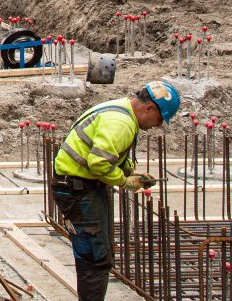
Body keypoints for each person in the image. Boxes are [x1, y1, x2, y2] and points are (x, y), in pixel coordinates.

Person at [51, 79, 181, 301]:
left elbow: (109, 154)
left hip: (80, 185)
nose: (157, 126)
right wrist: (124, 182)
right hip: (77, 188)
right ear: (149, 108)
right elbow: (99, 163)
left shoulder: (121, 109)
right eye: (159, 120)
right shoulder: (121, 122)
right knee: (94, 257)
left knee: (98, 253)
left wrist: (130, 171)